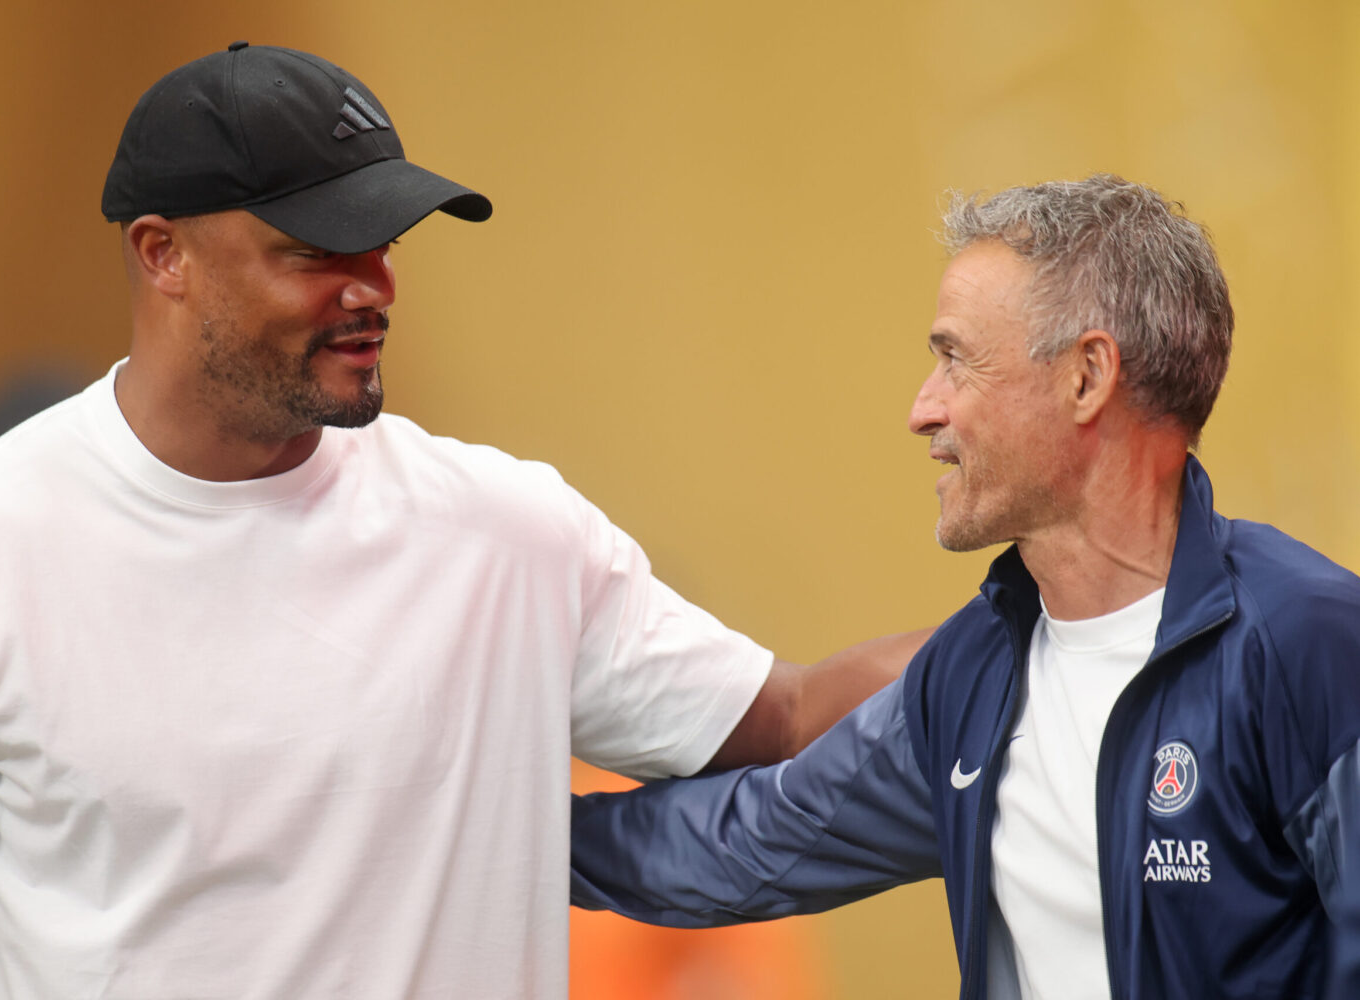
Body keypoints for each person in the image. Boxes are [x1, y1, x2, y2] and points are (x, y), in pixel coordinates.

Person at [0, 43, 923, 1000]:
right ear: (162, 254)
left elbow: (789, 718)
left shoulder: (511, 536)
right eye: (318, 249)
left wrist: (1024, 633)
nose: (375, 287)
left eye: (385, 241)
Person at [572, 174, 1360, 999]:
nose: (923, 409)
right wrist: (505, 827)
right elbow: (738, 847)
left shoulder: (1308, 643)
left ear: (1087, 376)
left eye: (956, 359)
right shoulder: (972, 677)